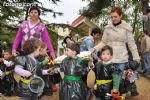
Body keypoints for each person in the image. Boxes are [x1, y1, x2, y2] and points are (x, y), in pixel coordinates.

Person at [91, 6, 140, 97]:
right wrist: (95, 48)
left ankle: (122, 96)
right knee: (110, 80)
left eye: (115, 17)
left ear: (120, 16)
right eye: (111, 17)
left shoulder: (127, 28)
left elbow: (131, 44)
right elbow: (103, 42)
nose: (113, 19)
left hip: (122, 58)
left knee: (120, 81)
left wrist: (136, 56)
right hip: (109, 58)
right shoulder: (107, 28)